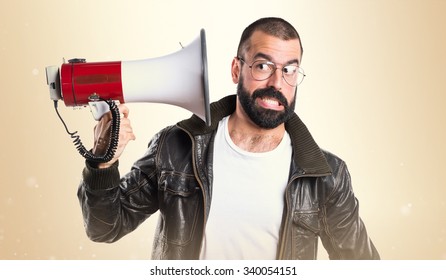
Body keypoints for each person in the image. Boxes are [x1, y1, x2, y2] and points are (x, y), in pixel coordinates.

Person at [77, 17, 380, 260]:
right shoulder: (175, 147)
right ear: (236, 70)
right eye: (263, 66)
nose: (278, 82)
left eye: (290, 70)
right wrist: (103, 161)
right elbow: (105, 228)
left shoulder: (327, 175)